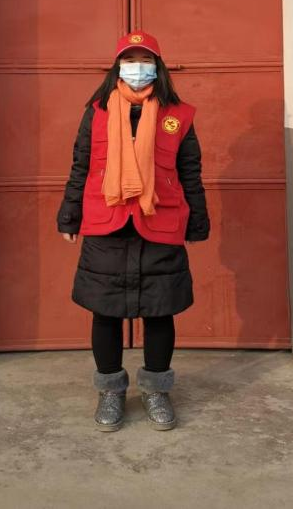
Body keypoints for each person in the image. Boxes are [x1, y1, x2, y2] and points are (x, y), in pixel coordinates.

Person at [57, 30, 210, 432]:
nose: (137, 68)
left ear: (157, 67)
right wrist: (69, 216)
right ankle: (110, 391)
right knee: (105, 311)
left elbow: (190, 172)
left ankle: (157, 390)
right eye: (129, 60)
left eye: (145, 60)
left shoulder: (179, 115)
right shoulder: (97, 112)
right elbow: (81, 165)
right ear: (117, 66)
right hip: (106, 221)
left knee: (160, 311)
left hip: (160, 221)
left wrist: (197, 222)